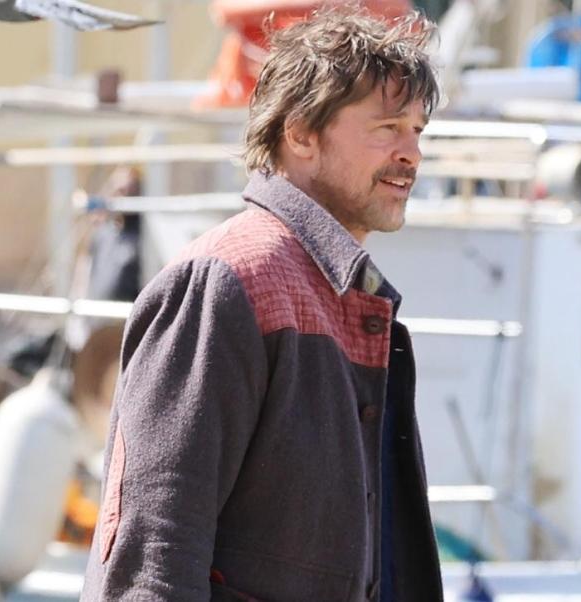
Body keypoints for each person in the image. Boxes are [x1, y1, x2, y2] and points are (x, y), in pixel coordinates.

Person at [82, 8, 442, 601]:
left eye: (418, 131)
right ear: (300, 134)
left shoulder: (340, 296)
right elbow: (152, 554)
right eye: (387, 128)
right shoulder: (227, 280)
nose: (412, 154)